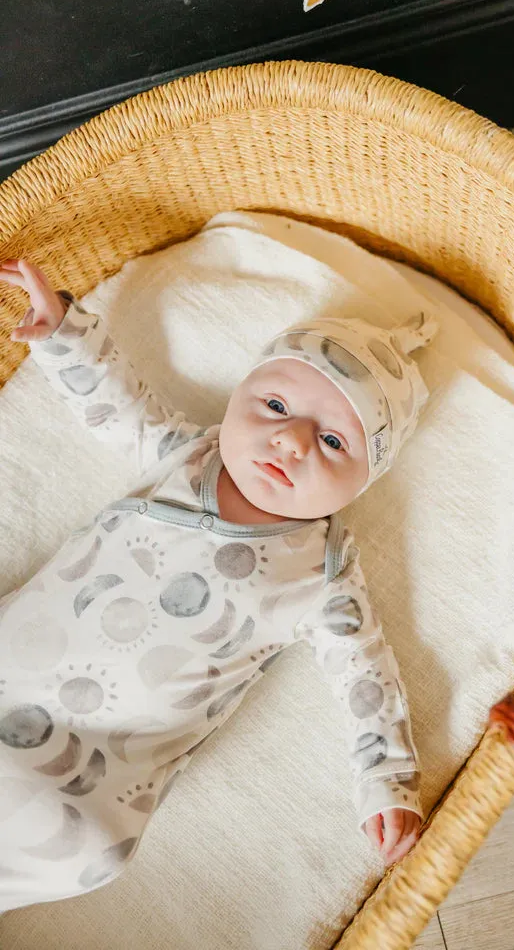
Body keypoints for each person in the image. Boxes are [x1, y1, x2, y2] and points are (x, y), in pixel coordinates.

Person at [0, 257, 438, 912]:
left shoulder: (323, 574)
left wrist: (387, 781)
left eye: (331, 440)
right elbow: (118, 403)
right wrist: (65, 329)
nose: (290, 440)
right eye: (276, 405)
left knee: (90, 851)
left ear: (364, 480)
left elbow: (365, 681)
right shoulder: (185, 455)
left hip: (90, 767)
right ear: (238, 401)